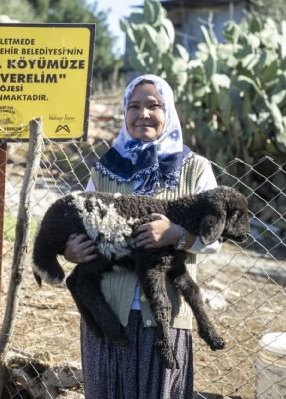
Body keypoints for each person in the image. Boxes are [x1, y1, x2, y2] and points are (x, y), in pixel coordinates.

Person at [64, 74, 221, 398]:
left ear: (169, 111)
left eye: (153, 105)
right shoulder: (106, 169)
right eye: (134, 106)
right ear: (125, 112)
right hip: (107, 314)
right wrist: (71, 251)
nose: (143, 114)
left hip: (164, 317)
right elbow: (78, 227)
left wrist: (175, 235)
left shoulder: (195, 169)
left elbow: (215, 239)